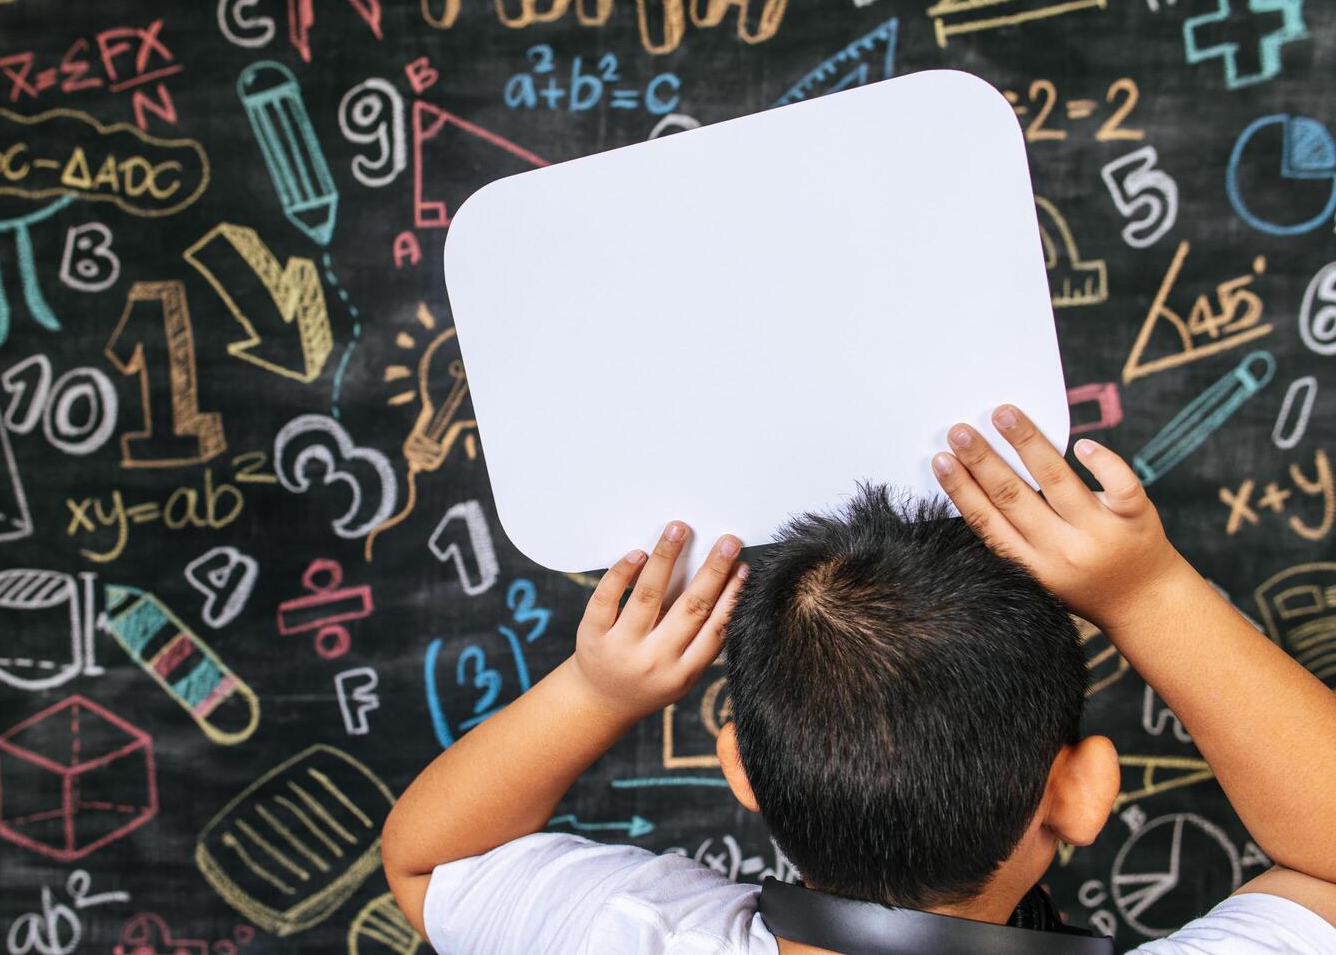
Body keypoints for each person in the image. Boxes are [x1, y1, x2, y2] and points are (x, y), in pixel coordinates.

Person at [381, 405, 1336, 953]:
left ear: (740, 770)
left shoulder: (625, 936)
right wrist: (1149, 592)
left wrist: (596, 694)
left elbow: (430, 862)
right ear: (1081, 792)